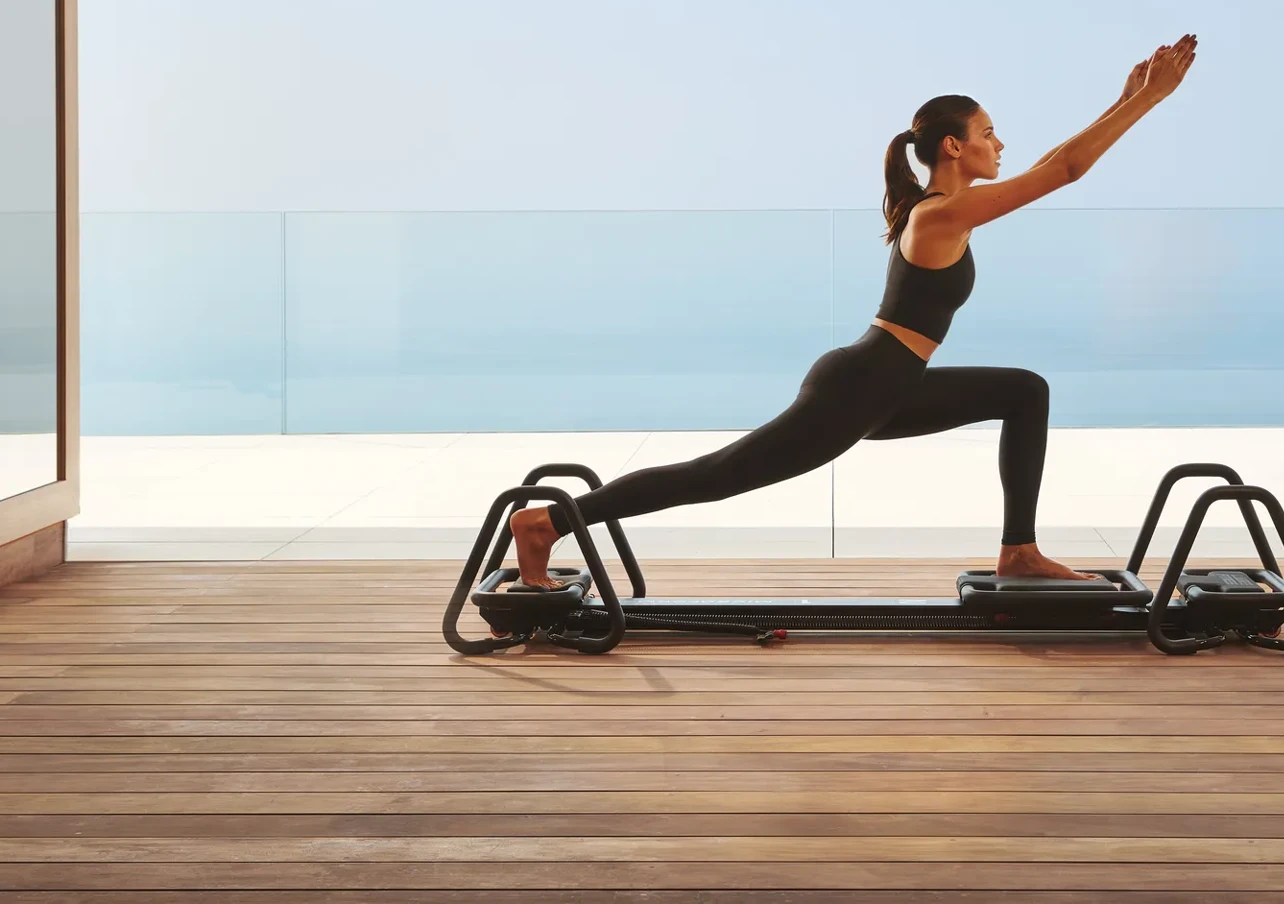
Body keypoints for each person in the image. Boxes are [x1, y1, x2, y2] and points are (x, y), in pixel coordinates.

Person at [507, 35, 1199, 588]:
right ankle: (549, 522)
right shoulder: (941, 214)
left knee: (1024, 391)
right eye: (989, 132)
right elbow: (1063, 170)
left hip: (888, 383)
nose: (1000, 144)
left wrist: (1126, 95)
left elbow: (1053, 161)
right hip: (863, 385)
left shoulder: (940, 212)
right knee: (716, 477)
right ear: (954, 147)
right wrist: (1150, 101)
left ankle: (1019, 550)